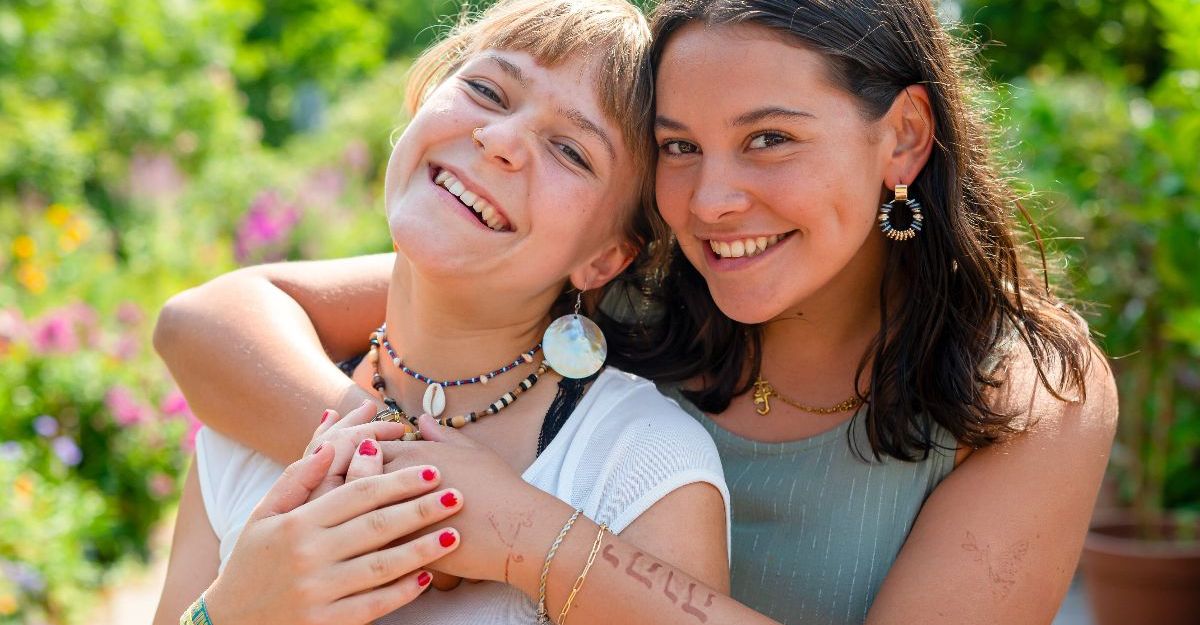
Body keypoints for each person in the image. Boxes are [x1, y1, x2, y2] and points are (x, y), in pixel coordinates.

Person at [156, 0, 1120, 623]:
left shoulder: (1028, 387)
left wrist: (518, 531)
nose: (711, 202)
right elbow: (210, 321)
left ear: (903, 136)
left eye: (770, 139)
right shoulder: (618, 296)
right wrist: (395, 484)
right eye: (678, 147)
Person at [151, 1, 732, 624]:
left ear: (605, 259)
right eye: (486, 91)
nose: (499, 140)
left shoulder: (641, 466)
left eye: (570, 150)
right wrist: (229, 611)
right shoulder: (246, 413)